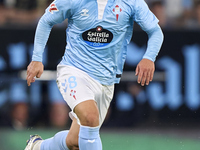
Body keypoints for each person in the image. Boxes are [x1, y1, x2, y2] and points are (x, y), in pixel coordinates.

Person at [25, 0, 164, 149]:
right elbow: (46, 20)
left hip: (106, 80)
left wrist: (149, 57)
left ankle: (38, 146)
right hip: (74, 70)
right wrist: (37, 59)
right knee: (90, 117)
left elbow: (155, 31)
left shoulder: (132, 2)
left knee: (75, 141)